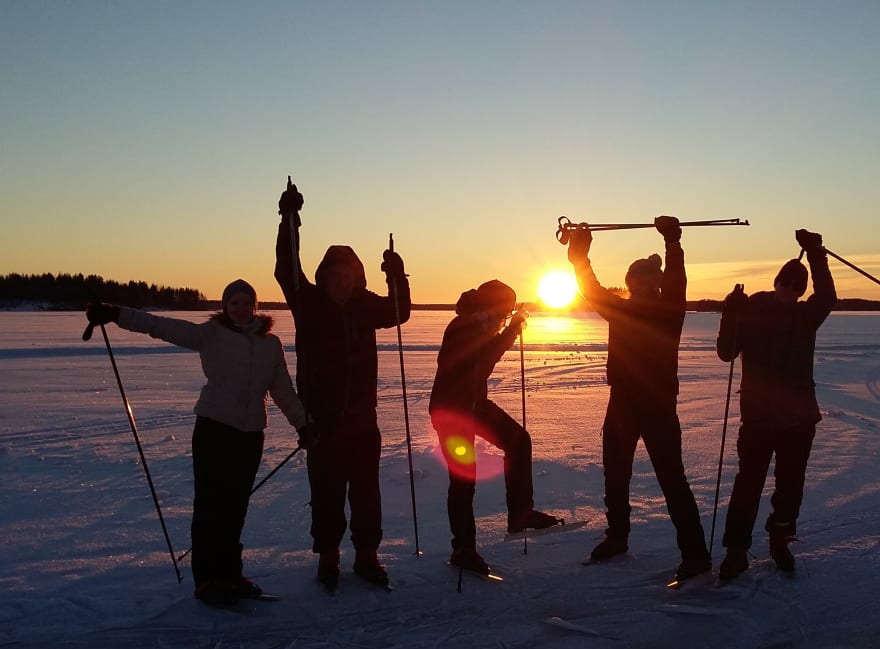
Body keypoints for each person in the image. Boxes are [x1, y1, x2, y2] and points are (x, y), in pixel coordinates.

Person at [85, 279, 311, 606]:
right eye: (234, 303)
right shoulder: (211, 335)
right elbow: (160, 326)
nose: (241, 308)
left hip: (250, 436)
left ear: (255, 306)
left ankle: (230, 574)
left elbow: (282, 391)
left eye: (247, 303)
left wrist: (303, 424)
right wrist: (117, 314)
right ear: (225, 306)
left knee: (235, 508)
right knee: (210, 507)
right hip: (215, 430)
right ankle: (207, 579)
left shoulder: (270, 344)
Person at [274, 185, 409, 589]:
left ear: (358, 278)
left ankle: (367, 556)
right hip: (322, 423)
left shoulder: (366, 306)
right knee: (327, 493)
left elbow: (400, 309)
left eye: (349, 275)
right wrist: (288, 221)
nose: (342, 281)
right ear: (323, 277)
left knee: (367, 494)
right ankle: (329, 557)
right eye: (335, 274)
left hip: (362, 421)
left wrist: (397, 275)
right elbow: (286, 268)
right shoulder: (308, 303)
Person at [566, 216, 711, 581]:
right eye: (637, 279)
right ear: (630, 284)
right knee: (615, 475)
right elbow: (592, 290)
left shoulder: (669, 310)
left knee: (672, 480)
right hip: (622, 402)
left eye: (650, 278)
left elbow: (678, 283)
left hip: (658, 405)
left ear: (657, 281)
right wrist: (579, 256)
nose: (643, 284)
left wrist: (673, 244)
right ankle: (617, 536)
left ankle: (695, 556)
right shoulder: (622, 309)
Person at [714, 229, 836, 580]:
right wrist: (729, 313)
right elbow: (726, 353)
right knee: (748, 484)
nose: (791, 292)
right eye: (787, 284)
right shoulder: (751, 310)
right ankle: (736, 550)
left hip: (799, 421)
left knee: (790, 486)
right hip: (759, 419)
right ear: (777, 282)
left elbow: (827, 295)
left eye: (797, 288)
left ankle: (779, 539)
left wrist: (815, 253)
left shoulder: (805, 317)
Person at [429, 280, 562, 575]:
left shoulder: (481, 325)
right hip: (451, 412)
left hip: (473, 406)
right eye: (503, 313)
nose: (503, 319)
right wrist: (511, 331)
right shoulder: (464, 326)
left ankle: (520, 513)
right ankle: (462, 548)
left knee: (518, 440)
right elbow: (484, 360)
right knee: (464, 479)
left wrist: (507, 330)